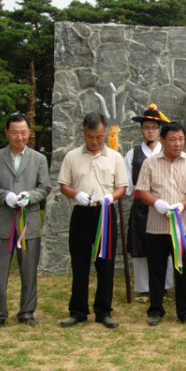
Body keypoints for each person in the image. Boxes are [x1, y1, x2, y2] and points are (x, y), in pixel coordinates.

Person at [0, 113, 51, 329]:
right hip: (3, 223)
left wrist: (30, 196)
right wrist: (6, 196)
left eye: (23, 132)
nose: (19, 137)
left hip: (28, 224)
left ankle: (27, 312)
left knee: (29, 271)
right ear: (7, 133)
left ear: (29, 133)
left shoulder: (39, 159)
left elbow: (45, 187)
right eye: (15, 133)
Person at [58, 113, 128, 328]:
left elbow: (122, 187)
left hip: (105, 213)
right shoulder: (72, 156)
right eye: (90, 137)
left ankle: (104, 311)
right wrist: (76, 194)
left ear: (105, 133)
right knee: (79, 263)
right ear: (83, 133)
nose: (95, 141)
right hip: (81, 213)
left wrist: (111, 198)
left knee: (105, 264)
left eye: (99, 136)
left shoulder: (114, 157)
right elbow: (63, 185)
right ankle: (78, 311)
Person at [134, 122, 186, 325]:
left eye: (181, 139)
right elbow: (141, 190)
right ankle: (155, 310)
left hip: (183, 227)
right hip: (156, 227)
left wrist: (181, 205)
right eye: (173, 139)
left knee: (185, 270)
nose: (178, 143)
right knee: (156, 269)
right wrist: (157, 203)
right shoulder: (150, 163)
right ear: (163, 140)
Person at [125, 104, 173, 302]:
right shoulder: (132, 154)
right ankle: (144, 288)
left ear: (159, 130)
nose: (150, 131)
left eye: (154, 127)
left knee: (165, 245)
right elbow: (128, 184)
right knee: (141, 245)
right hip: (141, 207)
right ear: (141, 130)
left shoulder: (167, 152)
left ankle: (164, 287)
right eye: (146, 128)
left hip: (164, 206)